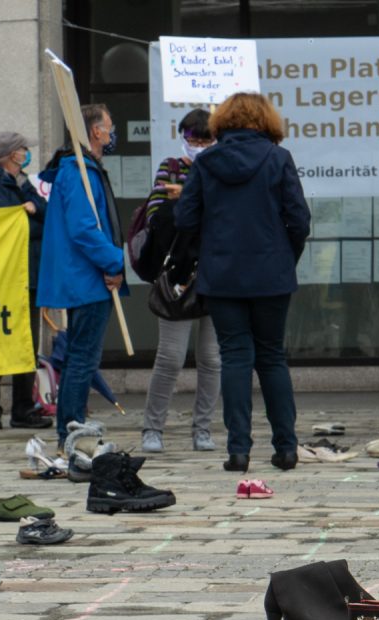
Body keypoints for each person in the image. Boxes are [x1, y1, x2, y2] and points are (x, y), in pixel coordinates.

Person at [176, 91, 311, 474]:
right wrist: (286, 257)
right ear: (266, 120)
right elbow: (299, 219)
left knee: (234, 356)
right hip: (272, 274)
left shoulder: (206, 163)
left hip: (222, 275)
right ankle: (286, 448)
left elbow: (186, 218)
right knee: (271, 356)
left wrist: (209, 246)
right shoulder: (278, 158)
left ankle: (238, 451)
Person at [38, 103, 126, 445]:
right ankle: (70, 430)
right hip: (85, 279)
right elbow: (85, 229)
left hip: (85, 277)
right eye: (109, 124)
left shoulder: (83, 169)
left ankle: (70, 428)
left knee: (81, 357)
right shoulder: (78, 171)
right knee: (82, 360)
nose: (112, 130)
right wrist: (114, 262)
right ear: (96, 132)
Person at [133, 109, 220, 455]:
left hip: (214, 275)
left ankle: (203, 429)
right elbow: (156, 214)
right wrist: (185, 198)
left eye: (205, 140)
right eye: (192, 139)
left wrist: (183, 195)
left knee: (212, 359)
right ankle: (152, 429)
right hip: (177, 275)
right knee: (169, 357)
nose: (198, 146)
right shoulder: (170, 166)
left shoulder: (220, 168)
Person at [0, 130, 46, 430]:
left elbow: (47, 213)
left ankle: (22, 409)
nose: (26, 154)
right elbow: (5, 226)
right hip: (2, 278)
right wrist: (29, 217)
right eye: (22, 150)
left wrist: (34, 211)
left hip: (29, 276)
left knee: (27, 345)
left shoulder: (26, 183)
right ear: (9, 155)